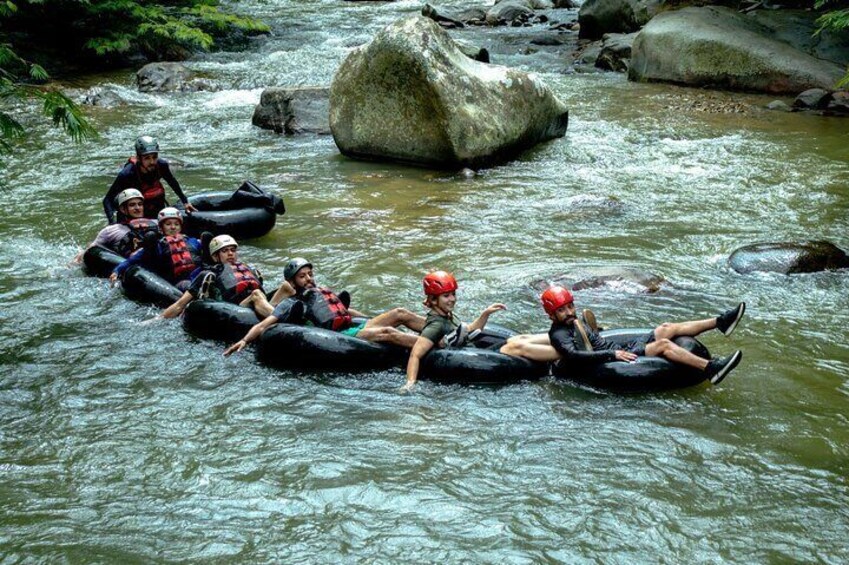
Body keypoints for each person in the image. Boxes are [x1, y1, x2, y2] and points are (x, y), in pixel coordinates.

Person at [500, 286, 745, 385]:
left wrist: (601, 334)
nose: (568, 312)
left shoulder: (575, 321)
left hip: (615, 346)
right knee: (663, 345)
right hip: (609, 358)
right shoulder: (558, 334)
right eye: (562, 310)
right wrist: (612, 353)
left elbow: (595, 338)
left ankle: (721, 322)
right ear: (552, 314)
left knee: (666, 328)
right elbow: (574, 355)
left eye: (570, 306)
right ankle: (711, 369)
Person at [222, 257, 426, 356]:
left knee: (400, 313)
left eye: (310, 274)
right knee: (388, 332)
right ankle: (433, 347)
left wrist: (369, 319)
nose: (309, 279)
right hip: (344, 337)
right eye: (302, 277)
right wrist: (244, 341)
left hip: (353, 327)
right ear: (292, 283)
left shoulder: (320, 293)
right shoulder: (292, 303)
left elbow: (347, 312)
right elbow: (265, 324)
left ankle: (447, 331)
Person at [402, 271, 506, 391]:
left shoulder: (447, 315)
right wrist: (410, 383)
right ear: (434, 300)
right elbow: (415, 355)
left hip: (468, 346)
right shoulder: (436, 325)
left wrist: (486, 313)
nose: (452, 299)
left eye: (453, 294)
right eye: (446, 296)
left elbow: (471, 329)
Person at [160, 234, 289, 319]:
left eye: (233, 250)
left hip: (259, 304)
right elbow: (180, 304)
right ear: (216, 256)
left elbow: (264, 296)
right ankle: (282, 320)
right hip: (236, 310)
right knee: (256, 294)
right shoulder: (208, 274)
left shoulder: (251, 270)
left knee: (286, 287)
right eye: (225, 251)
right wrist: (158, 319)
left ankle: (283, 316)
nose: (230, 254)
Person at [102, 135, 197, 223]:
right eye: (147, 158)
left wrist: (185, 202)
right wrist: (112, 222)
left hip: (156, 207)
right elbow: (107, 200)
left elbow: (172, 182)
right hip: (136, 212)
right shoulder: (127, 174)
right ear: (139, 158)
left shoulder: (161, 165)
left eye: (154, 157)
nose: (152, 162)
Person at [108, 207, 203, 291]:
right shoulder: (158, 245)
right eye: (168, 224)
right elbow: (132, 260)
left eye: (176, 224)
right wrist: (116, 271)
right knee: (187, 285)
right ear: (161, 228)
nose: (173, 227)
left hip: (197, 276)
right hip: (177, 283)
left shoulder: (193, 241)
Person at [73, 188, 160, 263]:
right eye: (132, 205)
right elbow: (91, 249)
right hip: (129, 264)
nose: (137, 208)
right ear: (123, 209)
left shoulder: (157, 223)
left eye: (140, 204)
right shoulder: (111, 231)